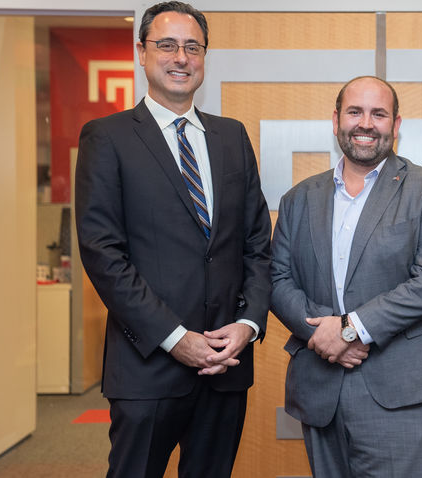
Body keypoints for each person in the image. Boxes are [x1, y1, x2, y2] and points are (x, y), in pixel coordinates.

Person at [74, 2, 272, 476]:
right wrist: (174, 337)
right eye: (166, 45)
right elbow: (103, 254)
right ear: (142, 53)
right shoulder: (108, 137)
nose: (180, 57)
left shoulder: (231, 137)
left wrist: (247, 325)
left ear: (204, 56)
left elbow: (256, 244)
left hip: (225, 366)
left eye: (192, 47)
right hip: (146, 367)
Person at [270, 76, 422, 477]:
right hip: (321, 386)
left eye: (379, 114)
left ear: (395, 124)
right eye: (355, 112)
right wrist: (323, 336)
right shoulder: (298, 199)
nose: (366, 123)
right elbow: (278, 280)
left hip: (403, 389)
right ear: (337, 118)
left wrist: (348, 330)